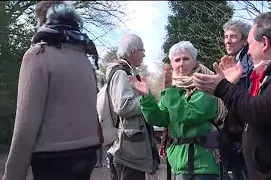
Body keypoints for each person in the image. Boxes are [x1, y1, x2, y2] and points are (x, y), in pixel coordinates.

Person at [193, 11, 271, 180]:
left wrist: (222, 88)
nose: (249, 52)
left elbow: (258, 111)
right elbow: (249, 115)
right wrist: (231, 86)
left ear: (265, 43)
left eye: (250, 44)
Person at [2, 1, 103, 180]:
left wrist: (13, 175)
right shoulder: (85, 60)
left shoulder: (38, 56)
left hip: (53, 160)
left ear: (43, 20)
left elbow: (26, 125)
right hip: (87, 155)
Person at [128, 41, 228, 180]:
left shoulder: (207, 86)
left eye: (186, 59)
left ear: (195, 61)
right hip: (180, 163)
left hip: (202, 165)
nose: (181, 63)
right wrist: (147, 97)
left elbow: (190, 115)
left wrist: (169, 92)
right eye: (177, 60)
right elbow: (160, 119)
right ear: (172, 64)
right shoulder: (174, 90)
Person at [104, 34, 159, 180]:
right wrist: (146, 98)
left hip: (129, 149)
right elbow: (123, 106)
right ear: (133, 51)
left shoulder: (126, 72)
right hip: (127, 153)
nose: (144, 54)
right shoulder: (121, 73)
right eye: (142, 50)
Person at [221, 19, 252, 180]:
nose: (228, 41)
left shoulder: (249, 61)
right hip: (234, 136)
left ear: (245, 39)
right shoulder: (236, 61)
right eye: (226, 37)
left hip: (244, 136)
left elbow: (249, 97)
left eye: (233, 36)